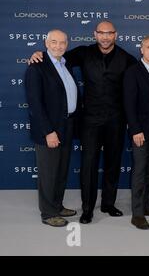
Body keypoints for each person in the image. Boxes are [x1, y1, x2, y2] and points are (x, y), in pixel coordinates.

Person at [30, 21, 137, 224]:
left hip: (116, 119)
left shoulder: (127, 59)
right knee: (88, 165)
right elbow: (54, 59)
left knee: (113, 163)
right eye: (101, 33)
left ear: (116, 35)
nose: (105, 37)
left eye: (109, 33)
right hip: (90, 120)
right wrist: (39, 54)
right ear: (95, 34)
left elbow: (140, 80)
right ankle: (87, 209)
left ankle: (108, 203)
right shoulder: (83, 53)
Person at [25, 29, 80, 227]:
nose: (58, 46)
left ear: (67, 44)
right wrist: (48, 131)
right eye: (54, 42)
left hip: (67, 125)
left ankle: (57, 205)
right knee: (48, 173)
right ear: (46, 43)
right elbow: (35, 104)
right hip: (49, 129)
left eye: (62, 42)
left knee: (60, 171)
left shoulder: (66, 64)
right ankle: (48, 213)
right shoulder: (37, 67)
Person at [123, 36, 149, 230]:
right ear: (141, 50)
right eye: (148, 47)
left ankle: (147, 205)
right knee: (139, 171)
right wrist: (136, 129)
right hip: (141, 130)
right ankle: (137, 214)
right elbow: (129, 104)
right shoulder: (133, 72)